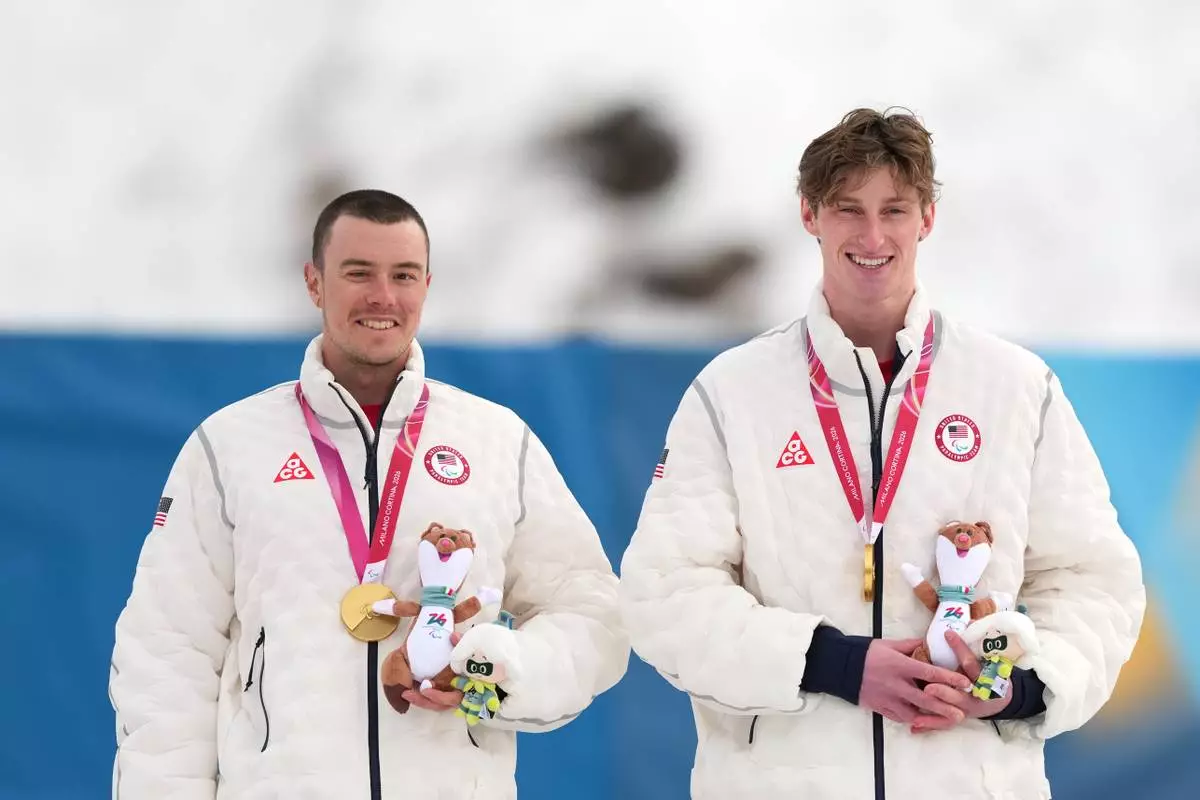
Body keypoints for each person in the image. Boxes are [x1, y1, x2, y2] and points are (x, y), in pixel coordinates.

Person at [618, 108, 1145, 799]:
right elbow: (666, 593)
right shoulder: (732, 395)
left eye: (894, 209)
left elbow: (1091, 578)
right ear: (810, 214)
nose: (872, 236)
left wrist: (1020, 689)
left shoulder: (1016, 388)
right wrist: (832, 663)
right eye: (848, 209)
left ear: (926, 217)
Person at [109, 189, 629, 799]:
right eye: (358, 273)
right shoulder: (228, 449)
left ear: (426, 286)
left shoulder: (497, 441)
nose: (383, 296)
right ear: (314, 283)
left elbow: (592, 614)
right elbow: (167, 654)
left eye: (403, 275)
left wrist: (490, 671)